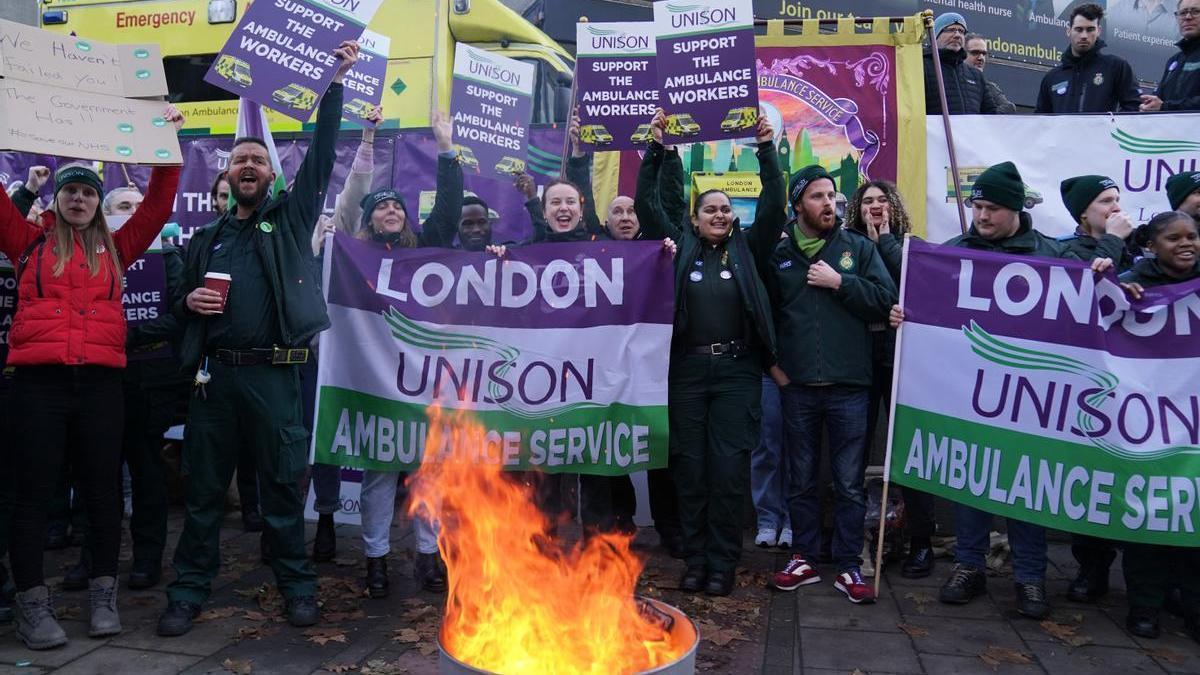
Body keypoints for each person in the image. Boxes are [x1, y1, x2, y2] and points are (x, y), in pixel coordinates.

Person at [156, 41, 359, 638]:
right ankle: (189, 592)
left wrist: (332, 85)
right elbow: (179, 307)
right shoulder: (204, 240)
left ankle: (296, 585)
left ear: (271, 174)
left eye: (257, 161)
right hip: (214, 382)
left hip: (274, 378)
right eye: (238, 160)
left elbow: (321, 159)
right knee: (204, 496)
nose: (247, 166)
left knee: (277, 491)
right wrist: (188, 303)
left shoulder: (290, 221)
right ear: (225, 176)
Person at [0, 109, 184, 650]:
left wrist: (163, 138)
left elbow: (157, 203)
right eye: (69, 191)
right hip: (39, 387)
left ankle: (104, 596)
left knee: (104, 494)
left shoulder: (119, 248)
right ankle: (33, 605)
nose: (78, 198)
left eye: (86, 191)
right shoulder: (26, 242)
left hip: (102, 388)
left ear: (97, 201)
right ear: (55, 199)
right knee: (32, 496)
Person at [889, 162, 1096, 620]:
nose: (981, 215)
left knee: (1028, 485)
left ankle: (1029, 577)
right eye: (977, 205)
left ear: (1016, 208)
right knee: (971, 480)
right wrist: (905, 315)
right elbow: (926, 306)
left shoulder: (1050, 255)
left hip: (1028, 401)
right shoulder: (956, 252)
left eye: (992, 208)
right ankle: (969, 566)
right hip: (971, 394)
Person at [636, 108, 784, 597]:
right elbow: (648, 206)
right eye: (710, 210)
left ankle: (723, 563)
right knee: (691, 472)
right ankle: (696, 560)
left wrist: (766, 150)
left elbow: (775, 208)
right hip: (687, 373)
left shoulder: (749, 249)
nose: (720, 215)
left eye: (725, 210)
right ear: (695, 220)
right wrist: (656, 149)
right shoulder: (680, 248)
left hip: (738, 374)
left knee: (726, 472)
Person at [329, 109, 462, 599]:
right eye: (382, 208)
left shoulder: (422, 251)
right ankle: (376, 561)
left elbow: (447, 211)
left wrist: (446, 150)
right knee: (378, 480)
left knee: (430, 476)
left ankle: (429, 559)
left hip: (424, 385)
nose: (391, 213)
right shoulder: (350, 252)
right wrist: (366, 138)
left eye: (398, 209)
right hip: (372, 385)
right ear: (368, 219)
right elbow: (347, 202)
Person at [767, 166, 897, 605]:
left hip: (849, 385)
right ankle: (802, 556)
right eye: (818, 197)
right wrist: (774, 368)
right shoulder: (780, 254)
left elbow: (886, 300)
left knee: (848, 481)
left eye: (833, 197)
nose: (829, 204)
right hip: (798, 385)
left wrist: (841, 282)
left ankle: (848, 565)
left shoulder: (857, 248)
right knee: (800, 477)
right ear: (798, 204)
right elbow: (761, 314)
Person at [842, 180, 938, 579]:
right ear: (857, 209)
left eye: (883, 200)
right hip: (859, 355)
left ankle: (921, 543)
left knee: (908, 450)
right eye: (867, 201)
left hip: (901, 356)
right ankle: (851, 542)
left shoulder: (910, 246)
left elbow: (917, 285)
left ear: (894, 206)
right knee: (853, 451)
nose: (876, 206)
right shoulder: (845, 245)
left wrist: (886, 245)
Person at [1117, 210, 1200, 643]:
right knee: (1146, 516)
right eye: (1174, 238)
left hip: (1195, 424)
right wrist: (1115, 294)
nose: (1186, 244)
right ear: (1152, 245)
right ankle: (1144, 606)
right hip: (1148, 421)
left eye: (1192, 237)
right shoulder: (1133, 284)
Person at [1036, 4, 1141, 113]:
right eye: (1079, 29)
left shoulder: (1116, 67)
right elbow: (1040, 122)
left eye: (1090, 29)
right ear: (1069, 31)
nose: (1084, 35)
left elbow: (1134, 108)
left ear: (1099, 31)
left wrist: (1109, 127)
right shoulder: (1052, 78)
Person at [924, 13, 999, 115]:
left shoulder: (976, 75)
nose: (957, 35)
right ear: (935, 35)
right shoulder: (922, 67)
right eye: (951, 30)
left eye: (961, 31)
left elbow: (991, 116)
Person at [1058, 175, 1135, 271]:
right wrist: (1114, 238)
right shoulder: (1062, 250)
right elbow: (1091, 282)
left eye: (1117, 200)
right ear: (1083, 212)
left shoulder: (1135, 243)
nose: (1117, 208)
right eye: (1106, 201)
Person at [1140, 0, 1200, 111]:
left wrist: (1164, 106)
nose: (1187, 17)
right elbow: (1159, 99)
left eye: (1195, 11)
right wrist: (1148, 105)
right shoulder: (1174, 60)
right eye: (1182, 13)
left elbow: (1163, 105)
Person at [964, 34, 1017, 114]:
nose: (981, 58)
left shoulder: (989, 87)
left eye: (984, 54)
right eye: (975, 53)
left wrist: (984, 119)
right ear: (962, 54)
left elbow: (1009, 107)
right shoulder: (952, 82)